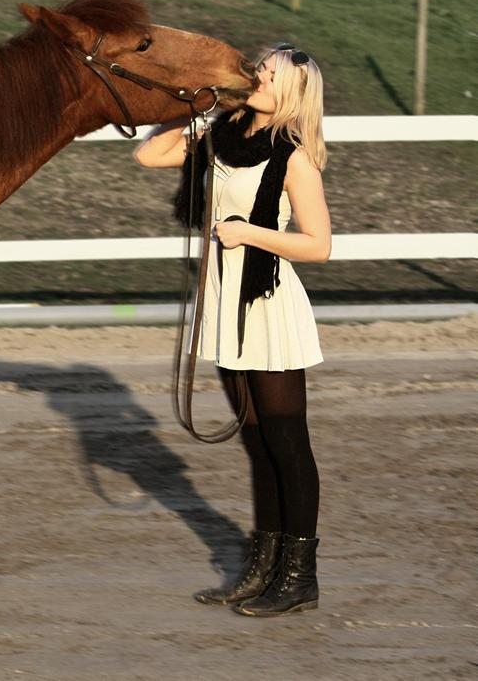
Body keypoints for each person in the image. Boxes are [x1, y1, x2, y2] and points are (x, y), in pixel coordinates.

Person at [133, 44, 330, 617]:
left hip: (267, 304)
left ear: (290, 92)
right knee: (254, 440)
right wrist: (189, 106)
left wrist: (249, 233)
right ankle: (263, 566)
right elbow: (151, 155)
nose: (256, 75)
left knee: (287, 444)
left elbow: (317, 246)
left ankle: (300, 576)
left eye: (266, 73)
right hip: (223, 303)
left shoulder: (293, 157)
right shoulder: (222, 136)